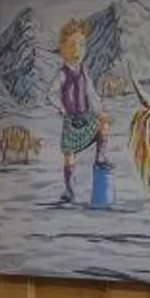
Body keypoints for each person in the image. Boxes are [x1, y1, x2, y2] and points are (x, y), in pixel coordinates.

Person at [56, 19, 105, 206]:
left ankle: (100, 157)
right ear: (63, 49)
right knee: (69, 154)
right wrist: (62, 110)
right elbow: (50, 94)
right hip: (71, 120)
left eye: (81, 45)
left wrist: (100, 110)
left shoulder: (84, 71)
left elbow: (91, 92)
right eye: (72, 45)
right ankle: (69, 189)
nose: (77, 50)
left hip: (85, 116)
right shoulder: (62, 74)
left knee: (103, 124)